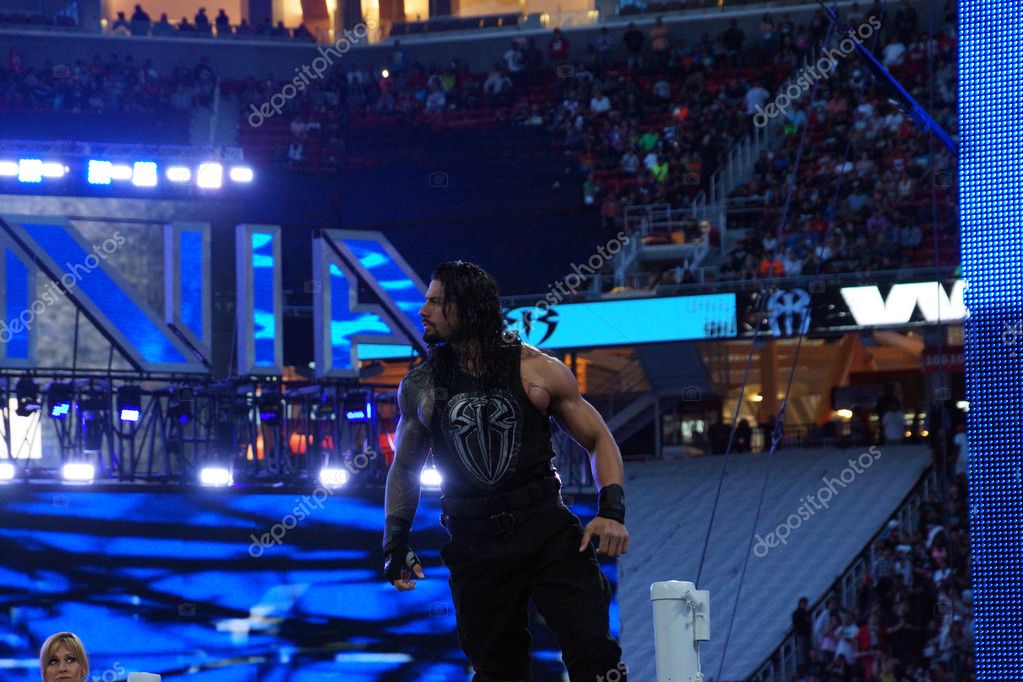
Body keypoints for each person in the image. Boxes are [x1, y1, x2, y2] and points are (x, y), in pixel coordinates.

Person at [383, 261, 629, 681]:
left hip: (545, 530)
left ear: (470, 310)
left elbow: (599, 439)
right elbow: (405, 467)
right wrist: (394, 541)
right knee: (497, 672)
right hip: (475, 541)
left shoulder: (537, 370)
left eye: (436, 303)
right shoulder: (421, 385)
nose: (423, 312)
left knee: (596, 659)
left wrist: (612, 511)